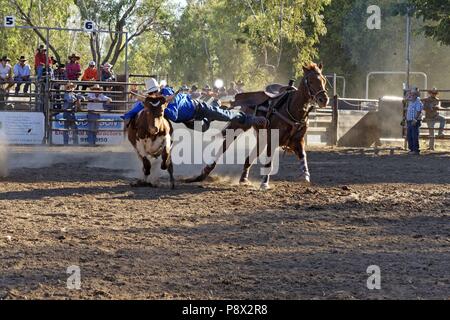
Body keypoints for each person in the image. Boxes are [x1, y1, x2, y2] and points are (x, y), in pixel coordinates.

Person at [121, 78, 267, 132]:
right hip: (189, 121)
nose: (153, 95)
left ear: (159, 90)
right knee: (204, 128)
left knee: (224, 115)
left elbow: (174, 114)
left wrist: (163, 103)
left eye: (155, 92)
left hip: (198, 107)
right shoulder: (154, 102)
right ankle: (215, 108)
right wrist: (127, 116)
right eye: (151, 94)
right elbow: (140, 107)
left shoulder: (168, 93)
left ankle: (250, 119)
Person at [405, 87, 423, 155]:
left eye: (414, 94)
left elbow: (419, 111)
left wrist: (415, 120)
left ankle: (415, 150)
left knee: (414, 135)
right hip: (409, 120)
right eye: (412, 94)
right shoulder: (411, 100)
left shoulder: (418, 102)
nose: (412, 95)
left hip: (415, 120)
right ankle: (412, 149)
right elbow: (405, 98)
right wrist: (409, 92)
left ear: (417, 95)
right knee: (409, 135)